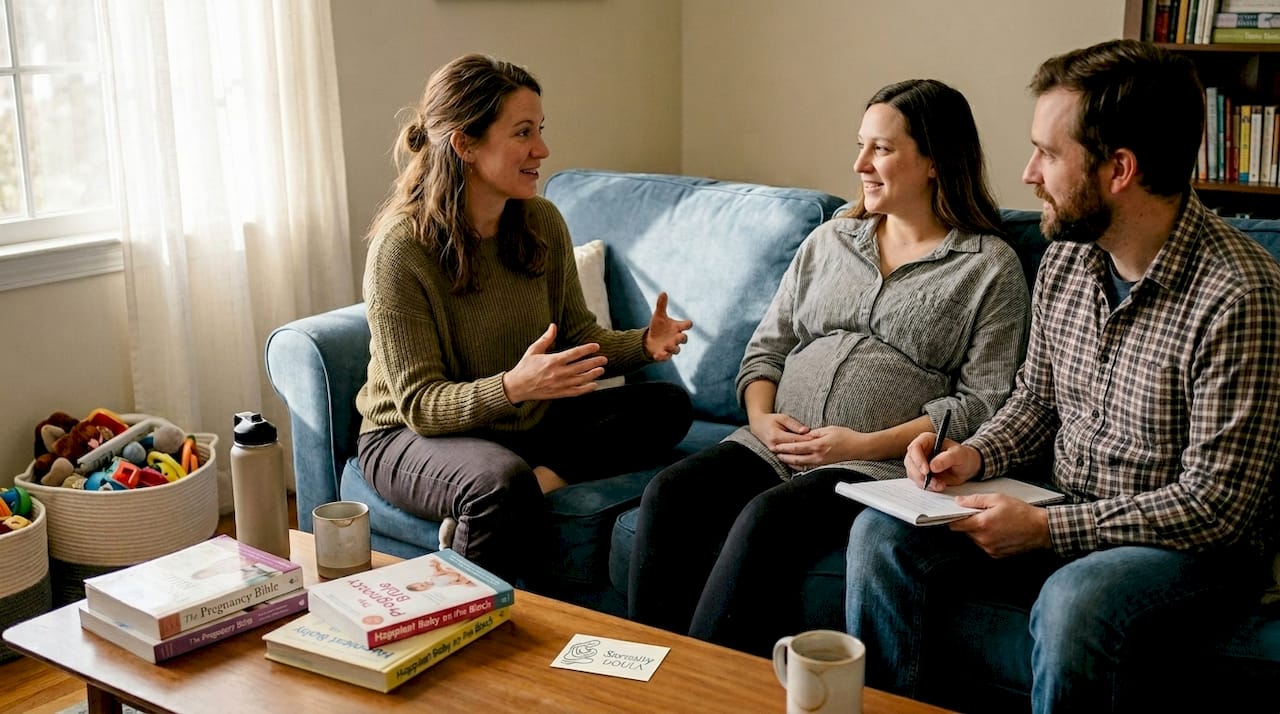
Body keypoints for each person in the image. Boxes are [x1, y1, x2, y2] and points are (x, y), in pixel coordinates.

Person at [845, 39, 1280, 714]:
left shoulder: (1240, 293)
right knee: (882, 536)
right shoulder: (1068, 260)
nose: (1028, 173)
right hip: (1061, 501)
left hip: (1185, 549)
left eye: (1048, 153)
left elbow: (1215, 507)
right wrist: (974, 455)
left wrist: (1049, 532)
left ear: (1119, 170)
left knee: (1076, 601)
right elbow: (1036, 403)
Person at [627, 79, 1032, 656]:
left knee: (768, 519)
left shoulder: (988, 268)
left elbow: (983, 404)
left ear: (936, 161)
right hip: (772, 444)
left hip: (878, 467)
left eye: (882, 149)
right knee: (671, 493)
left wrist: (860, 445)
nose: (860, 163)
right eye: (861, 144)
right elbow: (766, 349)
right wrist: (762, 419)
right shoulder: (829, 240)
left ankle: (710, 694)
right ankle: (646, 679)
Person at [355, 54, 694, 585]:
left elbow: (578, 337)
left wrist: (642, 345)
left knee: (667, 406)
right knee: (496, 483)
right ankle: (470, 621)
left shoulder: (540, 221)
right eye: (522, 133)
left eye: (540, 130)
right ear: (465, 144)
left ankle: (536, 484)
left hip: (521, 422)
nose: (542, 149)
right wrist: (514, 387)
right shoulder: (402, 249)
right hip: (408, 435)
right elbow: (420, 404)